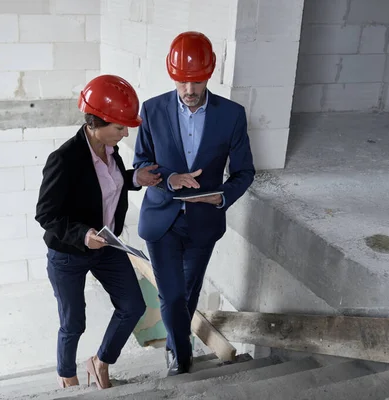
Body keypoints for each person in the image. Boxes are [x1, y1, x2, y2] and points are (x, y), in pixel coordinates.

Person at [133, 31, 256, 376]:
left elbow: (245, 172)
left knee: (187, 295)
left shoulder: (231, 115)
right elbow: (141, 163)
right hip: (161, 220)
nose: (190, 90)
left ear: (209, 74)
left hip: (203, 222)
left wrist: (223, 196)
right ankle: (181, 360)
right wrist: (169, 179)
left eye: (197, 81)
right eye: (183, 81)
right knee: (171, 296)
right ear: (172, 75)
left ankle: (175, 347)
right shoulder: (151, 110)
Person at [35, 74, 162, 389]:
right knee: (73, 323)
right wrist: (82, 235)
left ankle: (101, 361)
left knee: (133, 306)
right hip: (69, 254)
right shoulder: (63, 160)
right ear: (95, 123)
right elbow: (46, 214)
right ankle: (68, 378)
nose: (125, 132)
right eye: (119, 127)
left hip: (106, 246)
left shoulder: (109, 148)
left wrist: (135, 178)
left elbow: (107, 185)